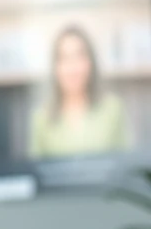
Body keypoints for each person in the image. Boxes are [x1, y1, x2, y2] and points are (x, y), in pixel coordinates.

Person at [28, 25, 129, 158]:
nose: (73, 67)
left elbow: (126, 165)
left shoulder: (113, 109)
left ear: (90, 62)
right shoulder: (41, 117)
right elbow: (35, 170)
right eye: (65, 58)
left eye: (79, 56)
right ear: (55, 67)